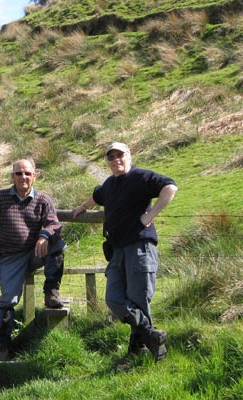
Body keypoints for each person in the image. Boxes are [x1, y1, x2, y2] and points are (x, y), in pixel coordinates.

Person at [72, 142, 178, 361]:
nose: (115, 160)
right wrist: (83, 207)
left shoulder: (141, 177)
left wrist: (150, 215)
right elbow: (97, 196)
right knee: (113, 298)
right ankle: (151, 335)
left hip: (139, 247)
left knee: (139, 300)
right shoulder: (109, 184)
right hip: (117, 250)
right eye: (110, 157)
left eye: (120, 155)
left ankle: (138, 354)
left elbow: (170, 187)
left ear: (129, 155)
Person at [0, 157, 65, 360]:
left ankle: (51, 291)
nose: (23, 177)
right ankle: (2, 344)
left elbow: (54, 224)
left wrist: (44, 236)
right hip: (9, 257)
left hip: (34, 252)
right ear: (12, 176)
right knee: (8, 300)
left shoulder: (43, 199)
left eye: (27, 173)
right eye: (19, 173)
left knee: (58, 246)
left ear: (34, 175)